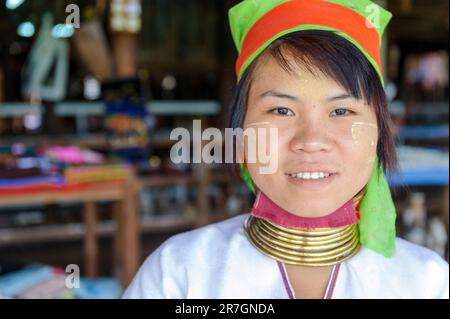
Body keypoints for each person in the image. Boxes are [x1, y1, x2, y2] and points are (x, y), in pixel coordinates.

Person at [123, 0, 449, 299]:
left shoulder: (427, 284)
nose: (310, 140)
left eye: (341, 111)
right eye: (281, 111)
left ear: (379, 133)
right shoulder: (179, 276)